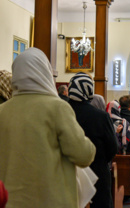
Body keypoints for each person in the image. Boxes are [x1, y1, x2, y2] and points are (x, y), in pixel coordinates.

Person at [0, 47, 96, 208]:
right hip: (52, 200)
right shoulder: (57, 108)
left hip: (11, 202)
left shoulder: (2, 111)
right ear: (45, 72)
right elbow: (84, 155)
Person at [68, 72, 119, 208]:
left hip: (68, 171)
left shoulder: (62, 111)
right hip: (97, 171)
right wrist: (101, 160)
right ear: (89, 90)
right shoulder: (100, 116)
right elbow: (113, 147)